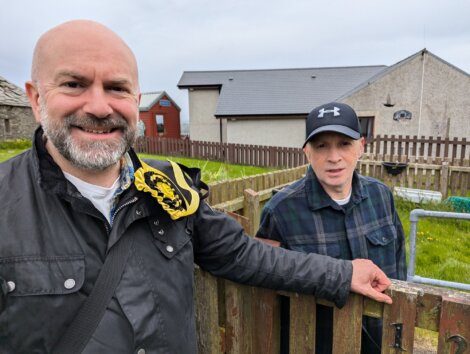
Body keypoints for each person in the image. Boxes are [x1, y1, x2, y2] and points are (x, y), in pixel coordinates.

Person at [0, 21, 392, 353]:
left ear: (135, 101)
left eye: (117, 88)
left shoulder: (168, 187)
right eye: (74, 84)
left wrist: (342, 274)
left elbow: (243, 255)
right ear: (36, 99)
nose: (100, 106)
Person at [257, 102, 406, 354]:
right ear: (307, 152)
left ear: (361, 146)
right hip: (313, 343)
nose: (334, 157)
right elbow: (265, 282)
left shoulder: (381, 196)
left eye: (344, 144)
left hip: (378, 340)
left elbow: (400, 261)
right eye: (322, 146)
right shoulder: (281, 211)